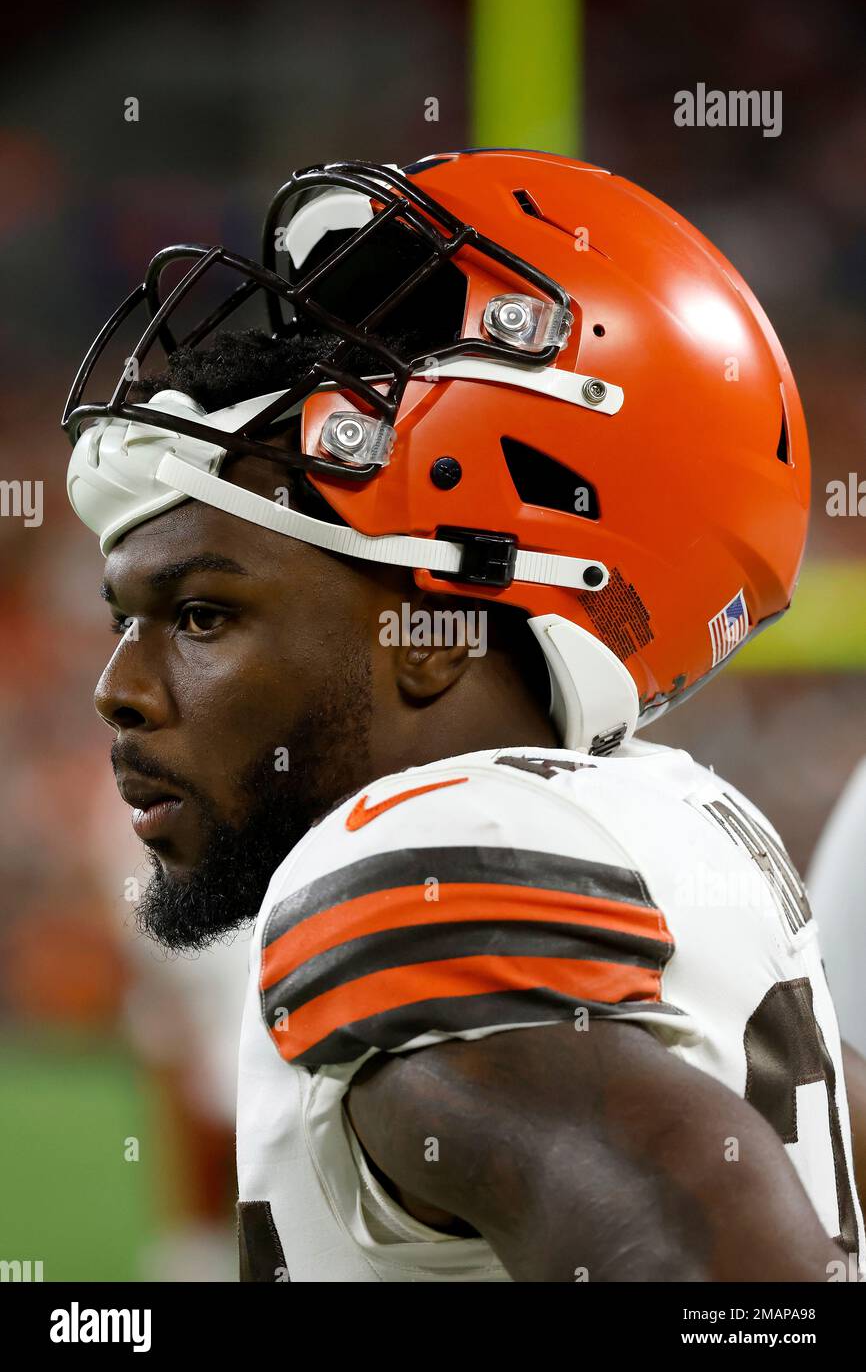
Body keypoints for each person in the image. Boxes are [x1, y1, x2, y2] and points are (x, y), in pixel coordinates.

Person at [63, 150, 865, 1281]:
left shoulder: (417, 872)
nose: (120, 690)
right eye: (125, 622)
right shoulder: (675, 811)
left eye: (199, 615)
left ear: (432, 640)